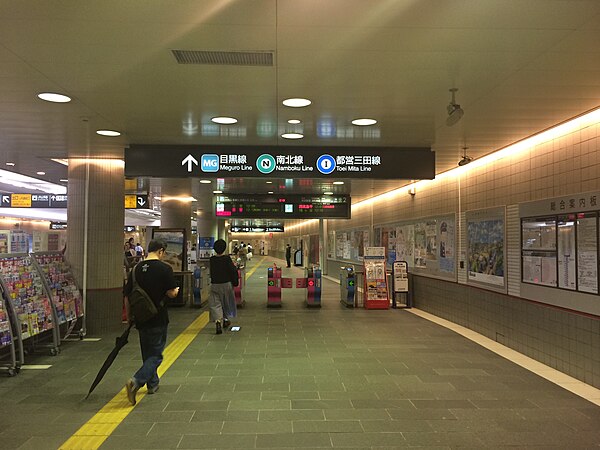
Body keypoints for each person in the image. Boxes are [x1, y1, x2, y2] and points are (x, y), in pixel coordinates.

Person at [123, 239, 180, 405]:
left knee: (147, 353)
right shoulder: (164, 268)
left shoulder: (135, 270)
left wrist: (129, 317)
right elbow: (171, 294)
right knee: (156, 355)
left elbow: (127, 295)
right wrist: (176, 290)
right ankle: (136, 380)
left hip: (140, 318)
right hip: (158, 316)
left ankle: (152, 384)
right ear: (161, 251)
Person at [209, 239, 238, 335]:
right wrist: (235, 282)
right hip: (226, 284)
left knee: (216, 304)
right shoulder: (226, 259)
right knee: (226, 302)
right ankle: (225, 320)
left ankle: (218, 322)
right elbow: (232, 271)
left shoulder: (212, 259)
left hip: (215, 285)